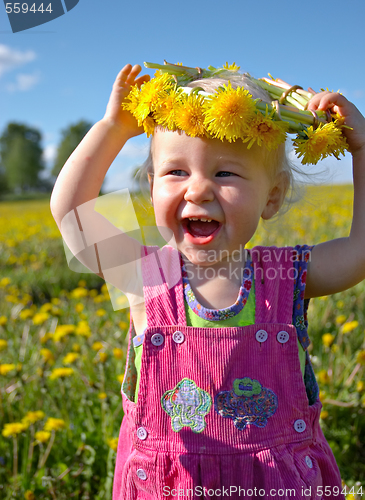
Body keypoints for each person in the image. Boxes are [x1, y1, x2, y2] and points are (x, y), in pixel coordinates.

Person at [50, 62, 365, 500]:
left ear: (271, 197)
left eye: (225, 173)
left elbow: (359, 251)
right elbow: (72, 213)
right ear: (151, 185)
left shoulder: (284, 276)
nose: (198, 190)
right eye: (176, 172)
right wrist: (114, 128)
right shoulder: (144, 275)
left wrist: (362, 149)